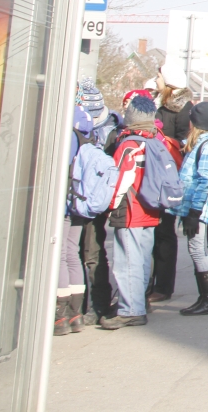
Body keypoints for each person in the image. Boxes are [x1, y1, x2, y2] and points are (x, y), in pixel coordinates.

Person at [100, 91, 164, 330]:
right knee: (143, 258)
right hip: (151, 209)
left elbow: (119, 180)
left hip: (130, 209)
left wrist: (109, 206)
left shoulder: (128, 144)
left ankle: (130, 309)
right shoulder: (155, 141)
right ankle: (140, 301)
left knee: (127, 260)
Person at [169, 100, 208, 316]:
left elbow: (206, 179)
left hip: (198, 209)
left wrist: (194, 213)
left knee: (197, 250)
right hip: (195, 208)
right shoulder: (203, 143)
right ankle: (205, 299)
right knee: (196, 250)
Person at [76, 83, 121, 324]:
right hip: (82, 197)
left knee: (92, 252)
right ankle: (84, 305)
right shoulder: (110, 127)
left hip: (94, 201)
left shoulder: (111, 131)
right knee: (83, 253)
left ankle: (99, 304)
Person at [149, 72, 192, 305]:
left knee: (165, 232)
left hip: (169, 176)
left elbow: (185, 143)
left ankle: (163, 286)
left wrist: (163, 143)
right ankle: (150, 283)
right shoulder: (160, 103)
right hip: (154, 174)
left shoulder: (182, 109)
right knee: (153, 233)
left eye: (159, 75)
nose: (156, 79)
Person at [56, 99, 97, 335]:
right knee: (72, 254)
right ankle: (76, 314)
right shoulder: (87, 128)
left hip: (63, 201)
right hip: (79, 202)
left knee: (60, 255)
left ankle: (60, 316)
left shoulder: (64, 126)